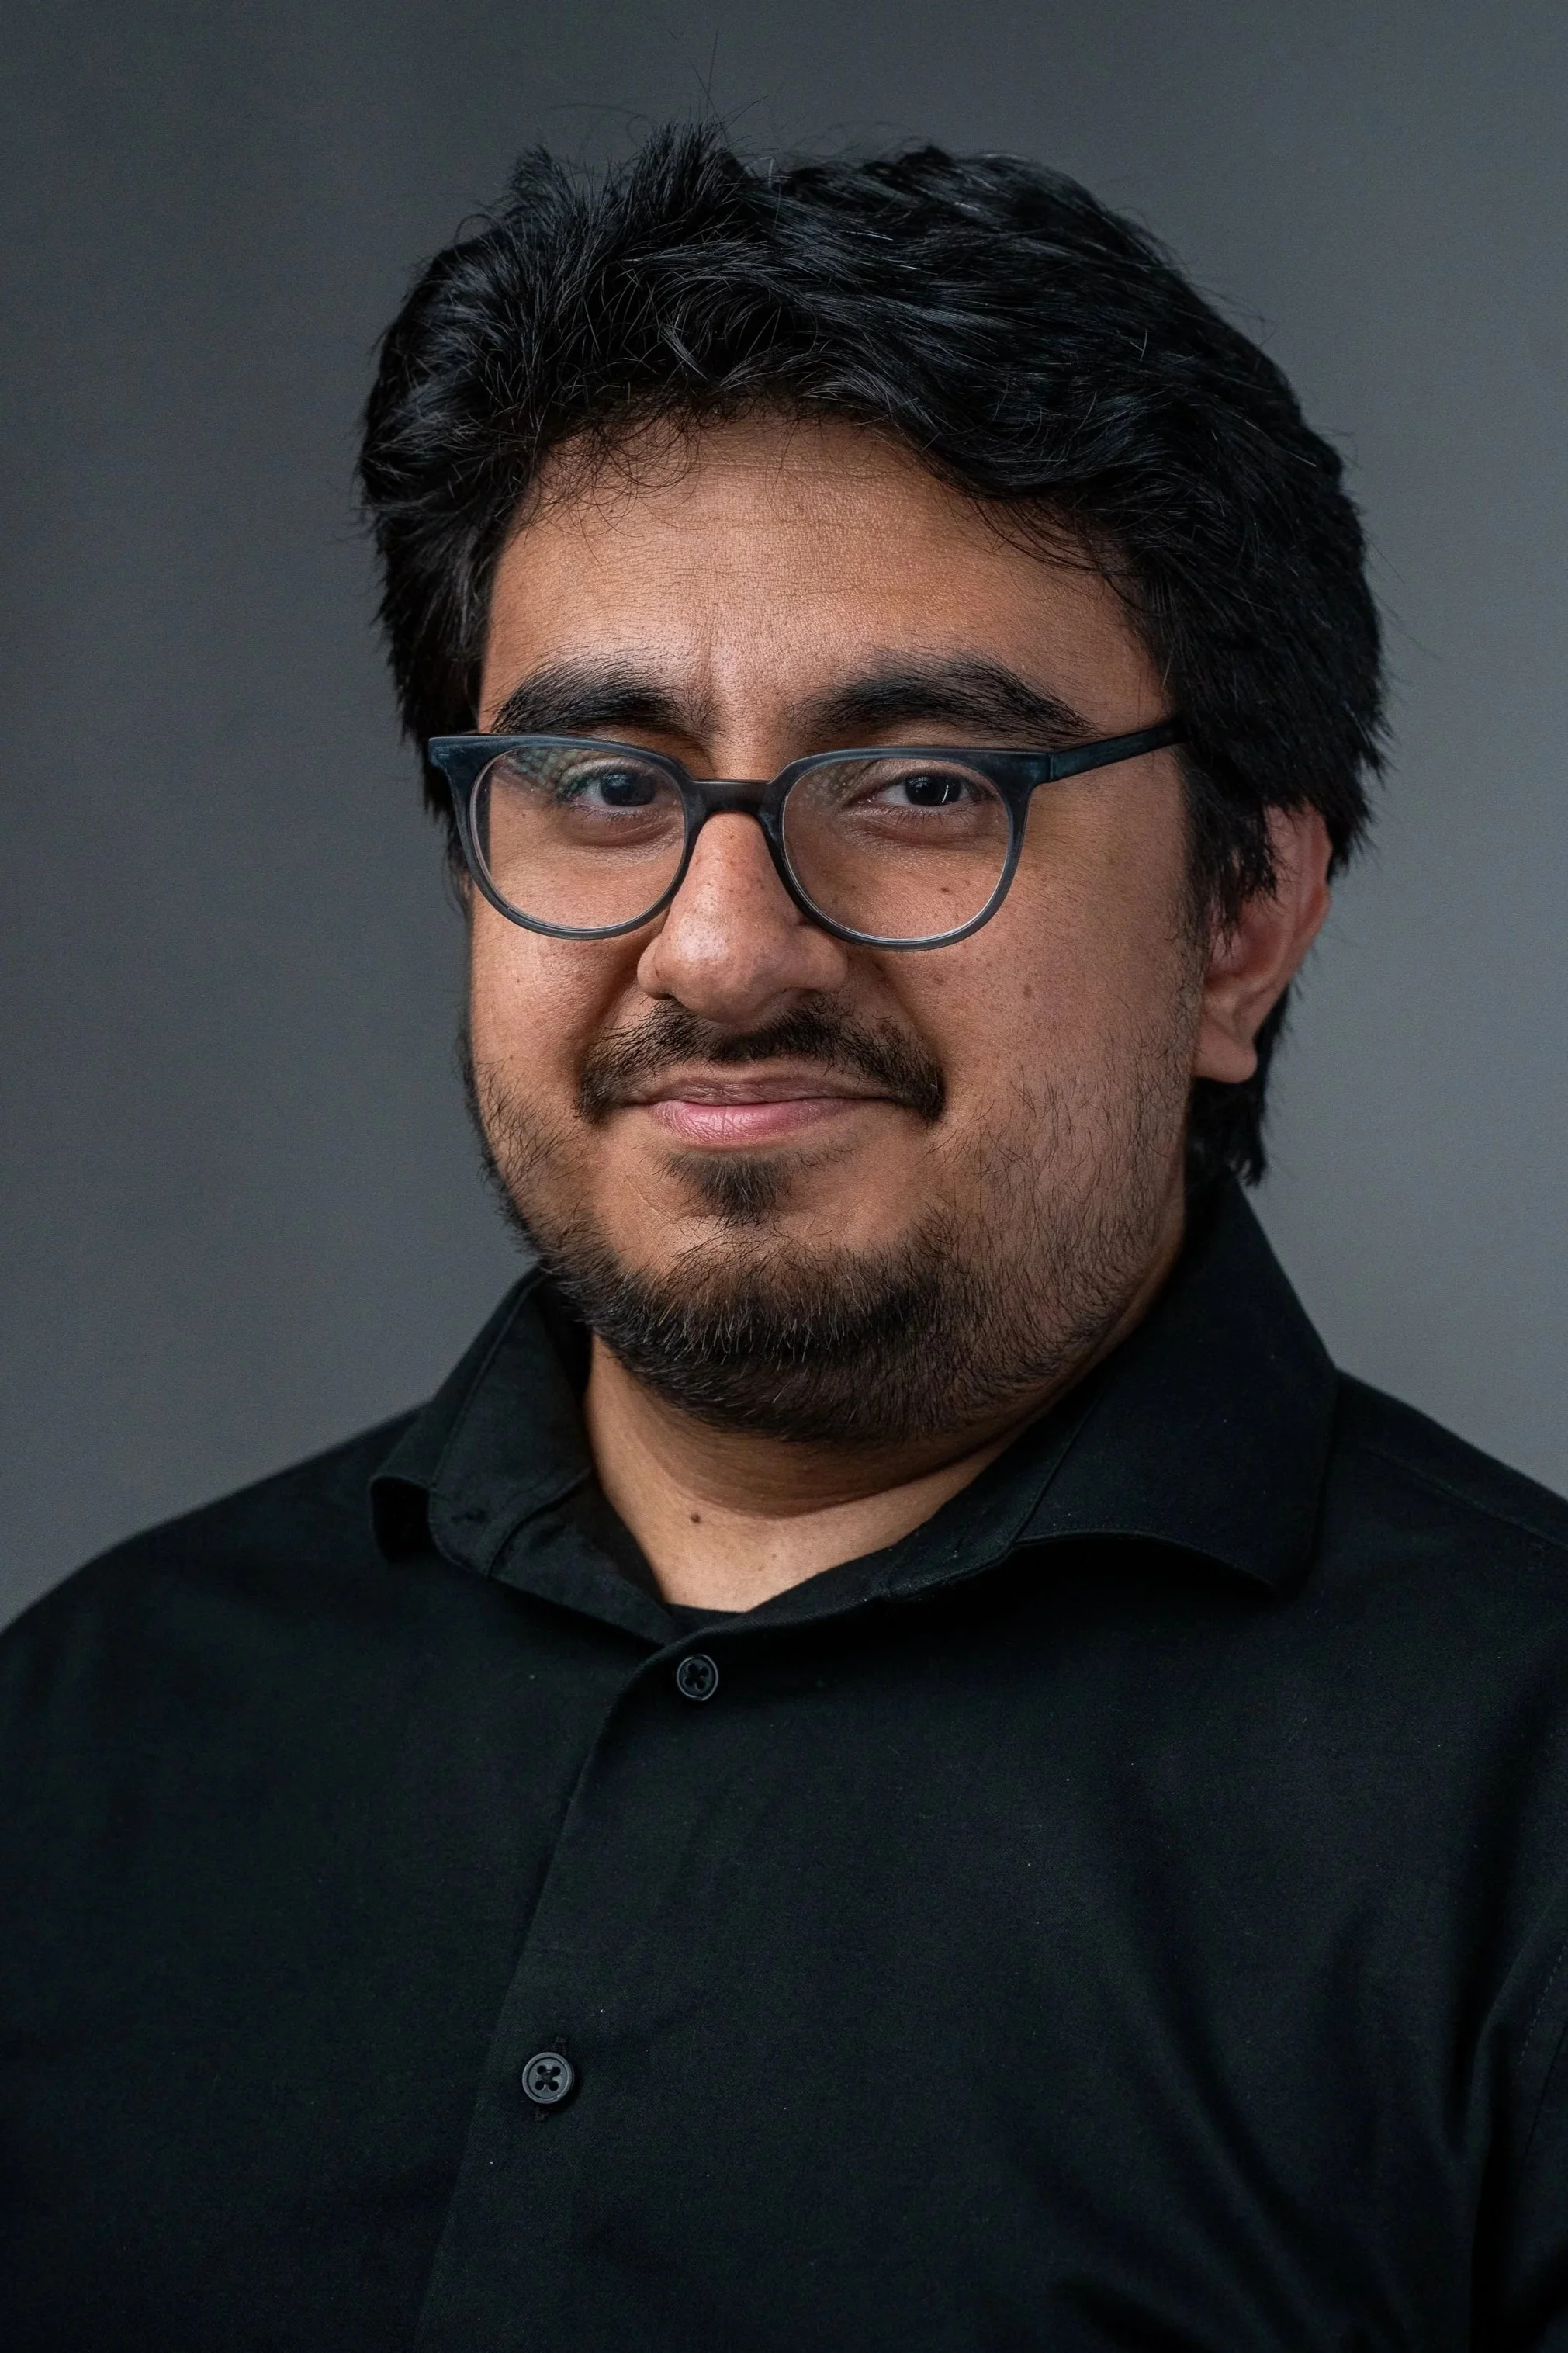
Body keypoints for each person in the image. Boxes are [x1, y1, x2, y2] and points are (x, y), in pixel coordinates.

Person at [3, 124, 1566, 2353]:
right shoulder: (83, 1737)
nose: (722, 949)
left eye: (925, 784)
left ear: (1243, 916)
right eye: (602, 785)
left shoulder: (1522, 1817)